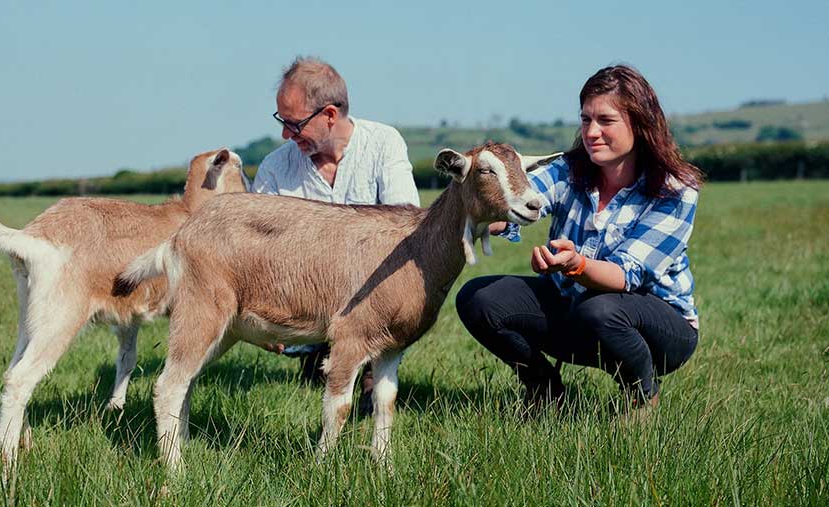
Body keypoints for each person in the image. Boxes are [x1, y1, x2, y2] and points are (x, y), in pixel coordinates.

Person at [456, 64, 704, 416]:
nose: (592, 132)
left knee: (600, 309)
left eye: (606, 120)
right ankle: (546, 390)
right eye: (586, 119)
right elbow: (520, 202)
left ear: (639, 124)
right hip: (577, 310)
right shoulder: (568, 170)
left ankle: (641, 397)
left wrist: (576, 265)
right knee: (478, 298)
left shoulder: (675, 190)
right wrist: (483, 217)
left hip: (659, 330)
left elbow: (625, 275)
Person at [252, 56, 420, 411]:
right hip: (302, 299)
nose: (285, 135)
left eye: (294, 124)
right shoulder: (275, 167)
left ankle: (372, 363)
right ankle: (319, 351)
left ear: (329, 114)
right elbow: (257, 251)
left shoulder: (384, 143)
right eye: (282, 121)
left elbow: (404, 228)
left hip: (370, 300)